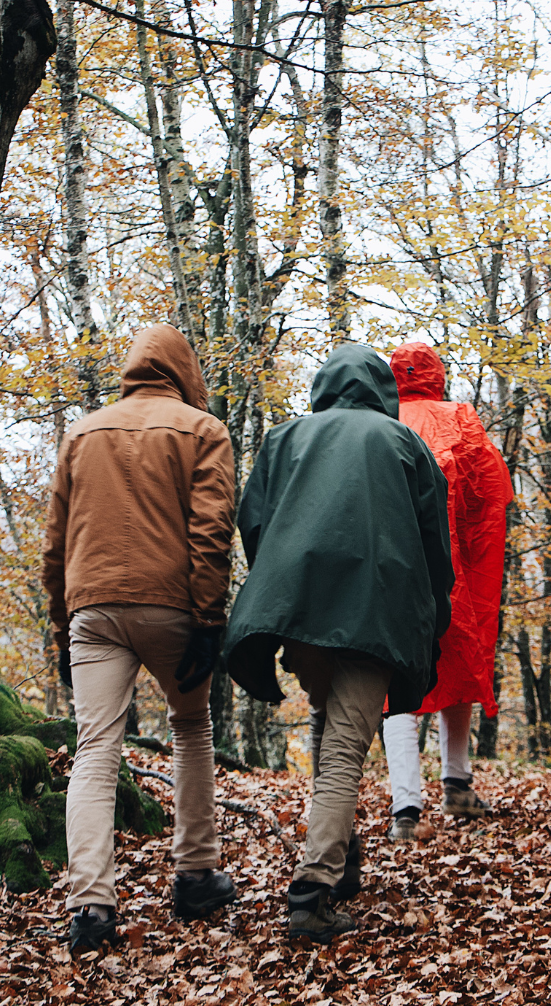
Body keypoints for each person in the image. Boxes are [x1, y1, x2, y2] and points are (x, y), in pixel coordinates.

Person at [221, 344, 453, 945]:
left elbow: (255, 524)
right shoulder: (403, 444)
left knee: (331, 726)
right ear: (382, 388)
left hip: (300, 614)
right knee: (347, 744)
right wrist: (437, 609)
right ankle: (312, 887)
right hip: (376, 613)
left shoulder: (284, 438)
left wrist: (283, 587)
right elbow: (434, 541)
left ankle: (343, 860)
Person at [42, 324, 237, 955]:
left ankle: (91, 906)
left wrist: (59, 625)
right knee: (191, 727)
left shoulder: (82, 432)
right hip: (173, 606)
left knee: (95, 748)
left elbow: (55, 544)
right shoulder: (202, 430)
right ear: (185, 371)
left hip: (92, 608)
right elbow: (211, 533)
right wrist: (209, 620)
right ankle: (196, 874)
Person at [383, 342, 513, 841]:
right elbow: (490, 490)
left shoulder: (380, 419)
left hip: (393, 568)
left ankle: (406, 806)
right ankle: (456, 782)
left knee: (398, 675)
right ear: (436, 375)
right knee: (461, 659)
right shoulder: (459, 417)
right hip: (453, 566)